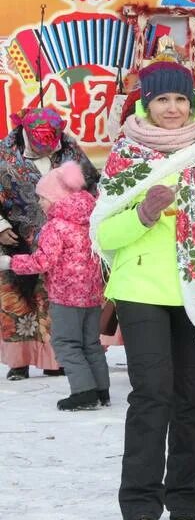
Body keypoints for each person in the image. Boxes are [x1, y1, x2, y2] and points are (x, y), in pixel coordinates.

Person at [90, 58, 195, 520]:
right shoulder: (125, 157)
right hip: (140, 289)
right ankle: (140, 506)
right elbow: (105, 233)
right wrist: (141, 214)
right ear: (146, 103)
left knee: (191, 397)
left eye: (180, 99)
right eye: (162, 99)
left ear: (192, 103)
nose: (172, 107)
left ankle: (186, 500)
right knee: (152, 395)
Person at [0, 107, 99, 381]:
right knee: (18, 303)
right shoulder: (4, 154)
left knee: (54, 300)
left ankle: (55, 359)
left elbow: (92, 186)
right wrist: (1, 227)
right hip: (16, 238)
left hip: (63, 239)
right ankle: (19, 362)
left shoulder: (70, 150)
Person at [0, 161, 108, 409]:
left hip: (66, 297)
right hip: (92, 296)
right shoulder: (90, 220)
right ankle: (102, 390)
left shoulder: (55, 227)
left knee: (66, 343)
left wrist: (10, 262)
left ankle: (84, 392)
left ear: (57, 197)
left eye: (42, 198)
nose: (39, 203)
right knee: (90, 343)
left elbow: (42, 261)